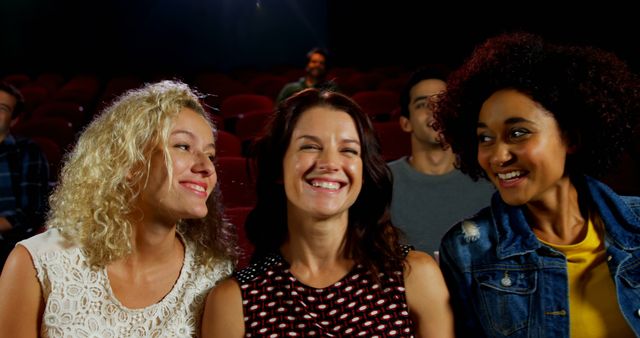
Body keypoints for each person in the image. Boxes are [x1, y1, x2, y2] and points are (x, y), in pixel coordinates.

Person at [202, 88, 454, 337]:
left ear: (364, 173)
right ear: (279, 166)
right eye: (310, 146)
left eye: (348, 150)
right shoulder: (233, 300)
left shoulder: (415, 275)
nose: (330, 163)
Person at [435, 32, 640, 337]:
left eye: (518, 133)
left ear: (570, 136)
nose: (498, 156)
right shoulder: (468, 250)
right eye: (485, 138)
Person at [0, 80, 237, 337]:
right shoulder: (37, 262)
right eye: (183, 146)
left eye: (210, 155)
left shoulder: (214, 274)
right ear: (129, 162)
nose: (207, 167)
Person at [389, 66, 494, 256]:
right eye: (422, 104)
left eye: (443, 102)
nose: (435, 110)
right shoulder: (382, 181)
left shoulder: (490, 176)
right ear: (405, 123)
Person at [0, 82, 49, 271]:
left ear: (13, 120)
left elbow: (31, 212)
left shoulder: (27, 152)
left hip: (8, 245)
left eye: (2, 108)